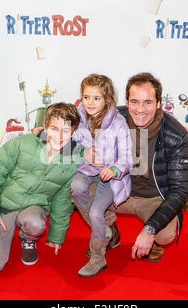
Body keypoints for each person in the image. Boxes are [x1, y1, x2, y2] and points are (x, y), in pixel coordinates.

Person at [78, 72, 188, 263]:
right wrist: (78, 150)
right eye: (134, 101)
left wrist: (150, 230)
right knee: (78, 190)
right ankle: (108, 231)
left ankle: (154, 240)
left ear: (158, 104)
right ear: (127, 102)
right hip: (117, 189)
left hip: (152, 198)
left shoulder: (176, 134)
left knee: (165, 235)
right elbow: (69, 129)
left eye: (147, 102)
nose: (140, 109)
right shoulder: (112, 117)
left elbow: (180, 191)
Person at [0, 103, 81, 273]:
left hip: (34, 208)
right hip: (4, 207)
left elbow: (62, 201)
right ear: (46, 127)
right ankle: (7, 231)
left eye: (66, 131)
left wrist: (56, 236)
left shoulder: (72, 160)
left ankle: (28, 239)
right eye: (54, 129)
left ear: (73, 133)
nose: (59, 136)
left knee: (35, 223)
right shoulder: (22, 143)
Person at [71, 74, 133, 277]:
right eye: (86, 97)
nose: (90, 102)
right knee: (76, 188)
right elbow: (64, 143)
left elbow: (127, 158)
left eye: (96, 98)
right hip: (86, 170)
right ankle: (104, 231)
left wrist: (114, 169)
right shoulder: (77, 117)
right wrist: (82, 153)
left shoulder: (119, 123)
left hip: (111, 178)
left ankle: (98, 259)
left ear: (107, 98)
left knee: (96, 213)